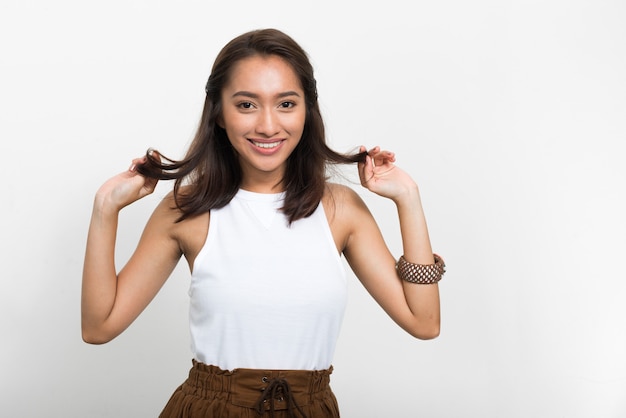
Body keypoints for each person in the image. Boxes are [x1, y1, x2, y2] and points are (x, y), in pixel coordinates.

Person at [81, 28, 445, 418]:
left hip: (310, 408)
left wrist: (408, 199)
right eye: (247, 105)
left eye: (286, 104)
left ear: (308, 109)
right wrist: (105, 208)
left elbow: (423, 322)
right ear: (219, 113)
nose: (269, 126)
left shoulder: (341, 209)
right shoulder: (186, 210)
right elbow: (98, 327)